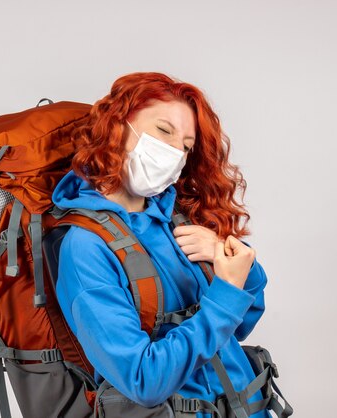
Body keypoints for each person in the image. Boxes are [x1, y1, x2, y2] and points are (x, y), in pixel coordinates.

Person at [51, 72, 270, 417]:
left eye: (185, 147)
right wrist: (225, 290)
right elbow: (143, 380)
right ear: (117, 126)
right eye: (163, 131)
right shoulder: (85, 249)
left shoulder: (179, 218)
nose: (173, 153)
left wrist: (234, 262)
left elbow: (241, 322)